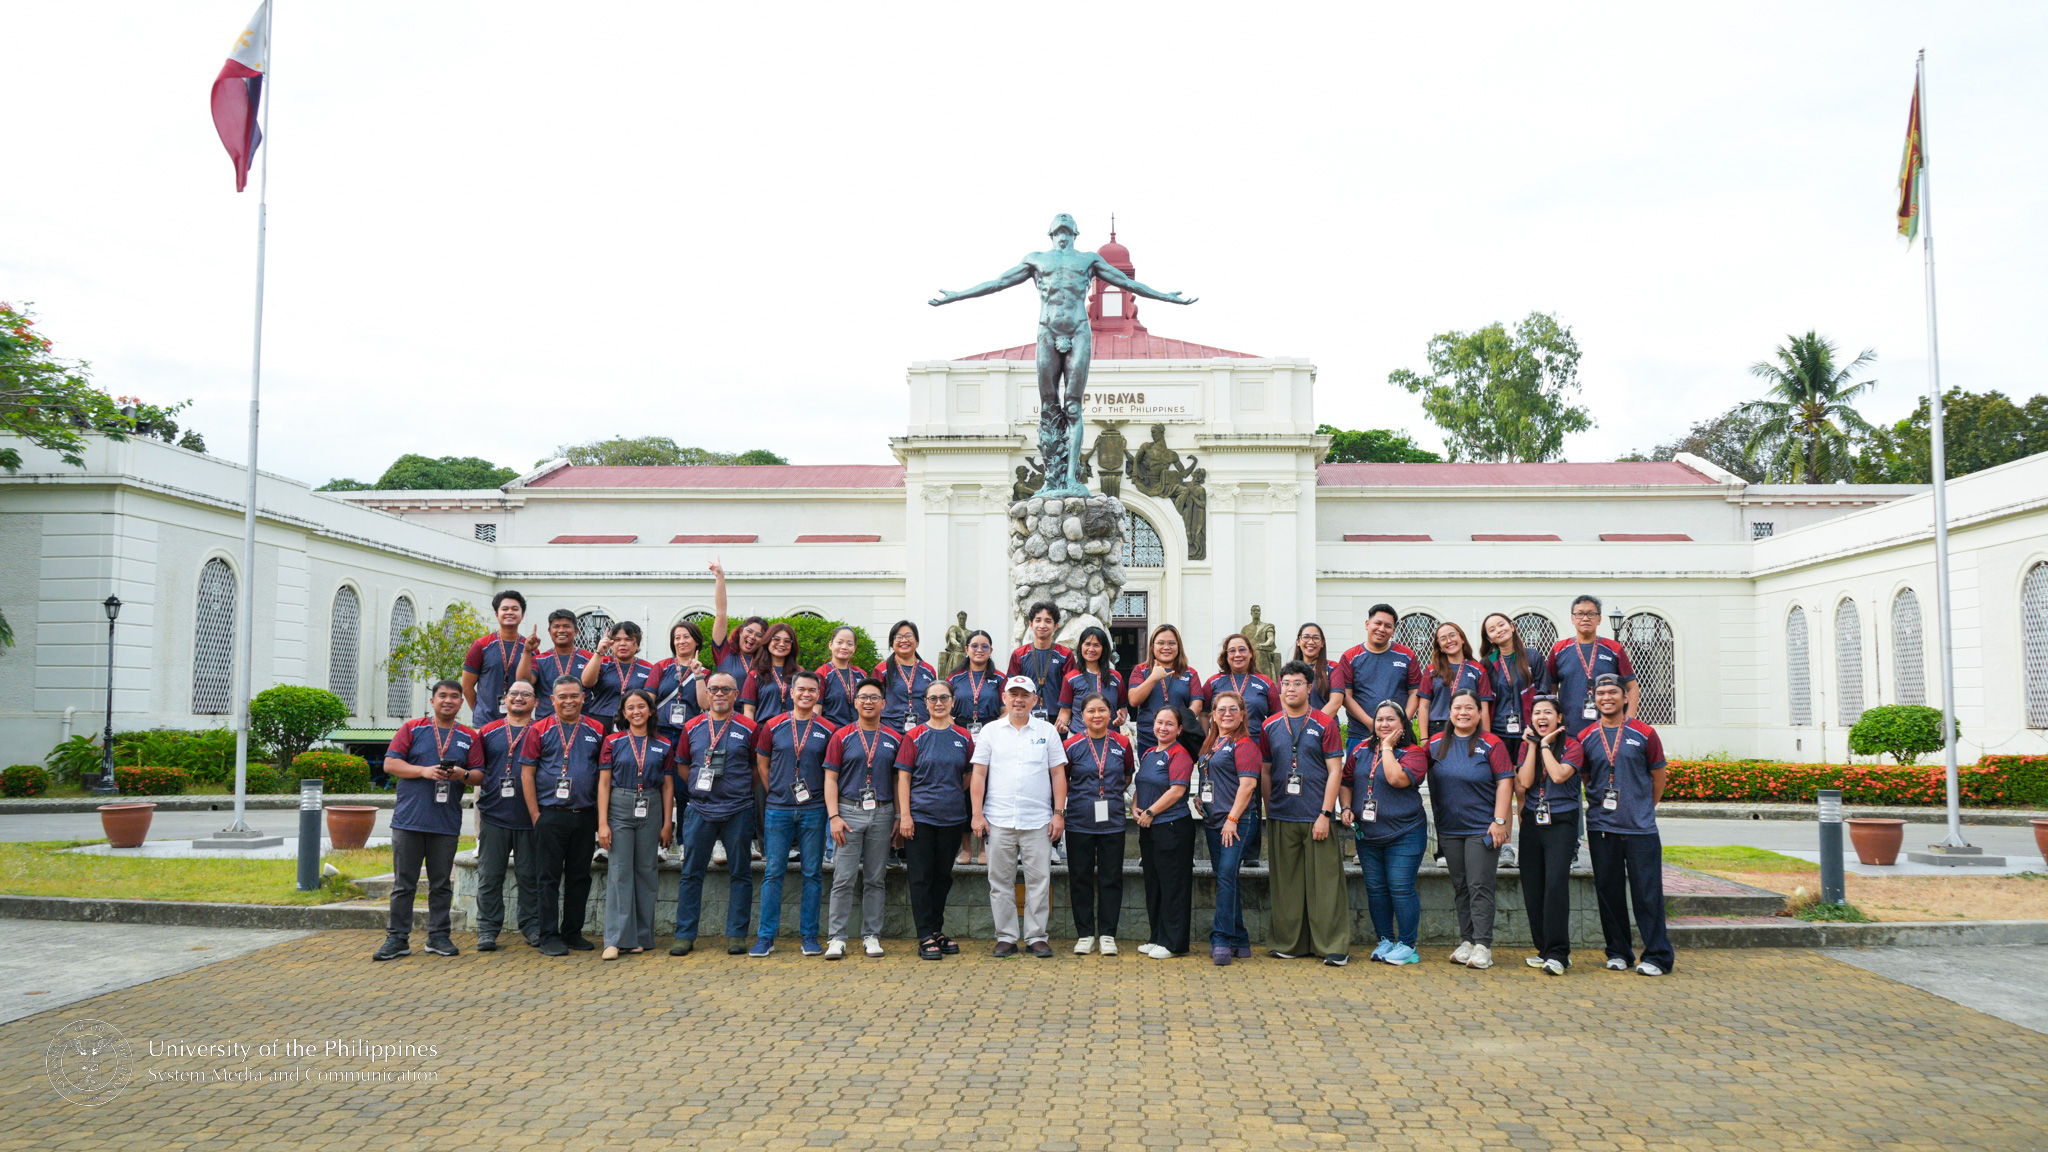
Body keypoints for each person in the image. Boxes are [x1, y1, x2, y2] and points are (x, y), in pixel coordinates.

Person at [372, 679, 478, 961]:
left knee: (441, 884)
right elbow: (390, 764)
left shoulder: (469, 736)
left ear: (461, 702)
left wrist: (462, 774)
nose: (448, 700)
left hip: (445, 823)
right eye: (442, 695)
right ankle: (397, 939)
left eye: (454, 696)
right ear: (432, 701)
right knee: (403, 884)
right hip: (409, 821)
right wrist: (423, 771)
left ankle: (439, 936)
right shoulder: (412, 728)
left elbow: (479, 774)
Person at [1579, 673, 1674, 976]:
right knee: (1609, 893)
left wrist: (1644, 807)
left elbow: (1658, 777)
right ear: (1594, 698)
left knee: (1647, 894)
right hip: (1601, 827)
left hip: (1639, 828)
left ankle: (1657, 956)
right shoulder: (1586, 736)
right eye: (1601, 693)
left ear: (1624, 697)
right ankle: (1619, 952)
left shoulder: (1645, 733)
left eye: (1612, 693)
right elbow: (1587, 778)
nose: (1606, 698)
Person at [971, 676, 1066, 958]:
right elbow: (979, 774)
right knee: (1000, 883)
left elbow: (1058, 774)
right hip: (998, 819)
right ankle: (1006, 937)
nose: (1019, 700)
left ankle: (1036, 937)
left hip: (1038, 821)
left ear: (1035, 700)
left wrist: (1059, 813)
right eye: (1013, 694)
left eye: (1025, 695)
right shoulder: (990, 731)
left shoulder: (1048, 731)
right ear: (1004, 698)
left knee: (1039, 882)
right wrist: (977, 814)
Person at [1261, 662, 1349, 966]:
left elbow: (1335, 770)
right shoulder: (1270, 725)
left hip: (1316, 816)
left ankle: (1332, 946)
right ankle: (1289, 943)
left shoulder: (1325, 723)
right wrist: (1270, 809)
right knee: (1286, 885)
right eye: (1285, 683)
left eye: (1297, 683)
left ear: (1309, 688)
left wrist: (1326, 813)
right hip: (1282, 815)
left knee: (1325, 885)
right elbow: (1266, 770)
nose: (1290, 689)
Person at [670, 671, 760, 956]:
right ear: (706, 693)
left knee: (741, 874)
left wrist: (737, 790)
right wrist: (700, 789)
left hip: (738, 810)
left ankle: (736, 935)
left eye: (726, 689)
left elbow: (756, 768)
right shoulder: (692, 726)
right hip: (700, 809)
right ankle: (684, 935)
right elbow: (683, 766)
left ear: (736, 695)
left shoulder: (750, 727)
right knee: (691, 874)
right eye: (714, 689)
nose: (720, 694)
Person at [1427, 689, 1515, 970]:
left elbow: (1505, 782)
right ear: (1449, 712)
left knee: (1480, 886)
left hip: (1482, 828)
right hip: (1449, 828)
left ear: (1479, 713)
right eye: (1457, 708)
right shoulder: (1435, 743)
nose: (1463, 713)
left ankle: (1483, 945)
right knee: (1461, 886)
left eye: (1469, 708)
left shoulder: (1492, 743)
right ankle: (1467, 941)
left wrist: (1499, 821)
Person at [520, 676, 607, 956]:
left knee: (580, 877)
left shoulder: (597, 729)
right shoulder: (539, 729)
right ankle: (548, 935)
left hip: (584, 815)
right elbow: (527, 773)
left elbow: (603, 774)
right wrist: (536, 814)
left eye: (574, 695)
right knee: (547, 878)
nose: (569, 701)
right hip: (550, 814)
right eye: (563, 696)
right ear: (552, 700)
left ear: (583, 698)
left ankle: (572, 932)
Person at [752, 670, 833, 957]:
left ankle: (809, 936)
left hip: (814, 809)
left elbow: (831, 771)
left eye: (812, 690)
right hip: (778, 809)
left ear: (818, 694)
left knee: (812, 874)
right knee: (773, 872)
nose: (806, 694)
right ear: (791, 692)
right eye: (802, 689)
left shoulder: (828, 729)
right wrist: (775, 790)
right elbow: (763, 764)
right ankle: (765, 937)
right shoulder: (773, 725)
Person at [1341, 700, 1428, 966]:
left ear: (1403, 724)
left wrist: (1388, 747)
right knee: (1376, 890)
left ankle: (1408, 946)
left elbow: (1396, 779)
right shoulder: (1360, 750)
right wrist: (1346, 807)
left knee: (1400, 887)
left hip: (1405, 833)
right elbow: (1346, 781)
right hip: (1368, 835)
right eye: (1380, 720)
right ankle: (1386, 940)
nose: (1384, 724)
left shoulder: (1413, 753)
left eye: (1391, 719)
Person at [823, 677, 902, 959]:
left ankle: (871, 935)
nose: (869, 702)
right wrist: (833, 816)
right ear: (855, 702)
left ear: (884, 703)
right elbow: (830, 778)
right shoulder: (841, 736)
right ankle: (837, 938)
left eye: (874, 697)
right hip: (848, 813)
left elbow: (898, 780)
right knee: (843, 878)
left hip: (882, 813)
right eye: (863, 697)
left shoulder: (894, 738)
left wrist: (898, 815)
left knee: (875, 879)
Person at [896, 679, 975, 960]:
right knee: (921, 877)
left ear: (953, 701)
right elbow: (903, 778)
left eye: (944, 698)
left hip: (952, 818)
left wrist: (949, 792)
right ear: (925, 703)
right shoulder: (914, 736)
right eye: (933, 698)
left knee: (943, 877)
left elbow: (969, 774)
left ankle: (936, 930)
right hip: (920, 818)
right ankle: (924, 935)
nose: (939, 703)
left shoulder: (964, 737)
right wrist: (905, 815)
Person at [596, 689, 673, 960]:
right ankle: (616, 939)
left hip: (651, 806)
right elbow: (604, 783)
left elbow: (668, 786)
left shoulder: (664, 744)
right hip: (619, 805)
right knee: (619, 871)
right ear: (624, 713)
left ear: (651, 711)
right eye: (630, 708)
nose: (636, 712)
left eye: (641, 706)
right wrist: (602, 823)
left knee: (646, 871)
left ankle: (640, 937)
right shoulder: (613, 741)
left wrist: (667, 823)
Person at [468, 678, 540, 951]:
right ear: (505, 699)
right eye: (514, 693)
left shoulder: (542, 730)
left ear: (535, 702)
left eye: (526, 694)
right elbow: (477, 770)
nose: (519, 698)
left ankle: (532, 927)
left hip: (530, 818)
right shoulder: (488, 731)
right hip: (494, 816)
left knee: (530, 877)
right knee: (490, 877)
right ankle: (487, 930)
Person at [1516, 696, 1583, 975]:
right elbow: (1525, 782)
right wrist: (1533, 746)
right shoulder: (1526, 745)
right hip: (1533, 819)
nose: (1541, 717)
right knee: (1533, 887)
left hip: (1561, 822)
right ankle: (1544, 949)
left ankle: (1559, 953)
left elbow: (1557, 775)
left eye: (1547, 713)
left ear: (1559, 718)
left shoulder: (1573, 745)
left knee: (1555, 885)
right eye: (1536, 713)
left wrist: (1544, 746)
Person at [1062, 693, 1134, 955]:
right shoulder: (1070, 745)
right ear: (1081, 716)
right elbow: (1063, 779)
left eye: (1102, 710)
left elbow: (1127, 775)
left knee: (1111, 878)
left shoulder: (1122, 743)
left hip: (1112, 822)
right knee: (1080, 878)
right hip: (1079, 822)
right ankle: (1084, 934)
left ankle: (1107, 934)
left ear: (1110, 713)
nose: (1097, 715)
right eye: (1091, 711)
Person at [1196, 695, 1260, 965]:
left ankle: (1221, 939)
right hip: (1214, 821)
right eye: (1221, 709)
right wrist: (1200, 797)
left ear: (1243, 714)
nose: (1227, 713)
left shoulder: (1244, 744)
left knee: (1225, 876)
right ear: (1213, 714)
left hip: (1237, 822)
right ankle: (1241, 940)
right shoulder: (1211, 743)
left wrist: (1233, 819)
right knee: (1226, 877)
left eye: (1234, 709)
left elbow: (1248, 785)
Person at [1131, 702, 1195, 959]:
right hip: (1149, 827)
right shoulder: (1148, 753)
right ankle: (1157, 937)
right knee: (1154, 884)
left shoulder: (1180, 754)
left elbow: (1177, 791)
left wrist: (1150, 812)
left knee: (1173, 886)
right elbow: (1143, 783)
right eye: (1160, 722)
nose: (1163, 728)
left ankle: (1174, 943)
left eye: (1170, 724)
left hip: (1172, 826)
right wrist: (1136, 806)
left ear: (1179, 729)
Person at [1480, 611, 1540, 868]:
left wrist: (1538, 727)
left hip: (1527, 733)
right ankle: (1505, 847)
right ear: (1489, 638)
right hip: (1499, 734)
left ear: (1512, 626)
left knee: (1523, 789)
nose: (1498, 630)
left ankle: (1528, 845)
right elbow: (1484, 701)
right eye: (1492, 629)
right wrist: (1486, 736)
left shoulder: (1532, 656)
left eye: (1501, 625)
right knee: (1503, 788)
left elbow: (1544, 692)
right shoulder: (1487, 663)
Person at [1333, 604, 1422, 757]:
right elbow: (1346, 696)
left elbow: (1415, 692)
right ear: (1367, 624)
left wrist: (1401, 723)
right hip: (1360, 734)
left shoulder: (1407, 655)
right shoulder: (1350, 657)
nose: (1382, 629)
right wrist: (1371, 723)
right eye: (1378, 623)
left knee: (1400, 772)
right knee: (1359, 772)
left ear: (1393, 631)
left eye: (1388, 626)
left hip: (1399, 736)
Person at [946, 629, 1002, 866]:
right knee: (964, 790)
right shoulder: (954, 678)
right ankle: (966, 847)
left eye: (984, 646)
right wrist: (955, 730)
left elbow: (1005, 710)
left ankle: (984, 847)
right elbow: (944, 707)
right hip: (960, 734)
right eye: (975, 646)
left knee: (987, 790)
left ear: (991, 650)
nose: (979, 650)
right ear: (966, 649)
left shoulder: (999, 679)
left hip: (990, 734)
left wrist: (994, 732)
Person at [1546, 595, 1638, 726]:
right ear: (1572, 619)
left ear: (1599, 619)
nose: (1585, 618)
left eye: (1591, 614)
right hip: (1569, 728)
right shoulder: (1559, 649)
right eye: (1580, 614)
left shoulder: (1614, 649)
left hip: (1608, 727)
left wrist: (1629, 721)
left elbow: (1632, 687)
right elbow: (1551, 688)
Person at [1128, 623, 1206, 757]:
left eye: (1172, 643)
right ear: (1152, 647)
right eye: (1161, 643)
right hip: (1148, 739)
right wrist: (1153, 678)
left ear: (1178, 647)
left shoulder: (1190, 673)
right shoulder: (1141, 670)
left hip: (1179, 739)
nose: (1166, 647)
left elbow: (1197, 703)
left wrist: (1177, 722)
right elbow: (1134, 700)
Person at [462, 590, 529, 728]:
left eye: (515, 609)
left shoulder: (529, 648)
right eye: (505, 609)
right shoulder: (481, 645)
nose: (509, 612)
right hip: (485, 723)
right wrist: (480, 711)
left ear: (522, 615)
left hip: (519, 722)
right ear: (496, 614)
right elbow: (467, 687)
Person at [1418, 621, 1491, 738]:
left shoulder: (1478, 670)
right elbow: (1424, 706)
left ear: (1462, 639)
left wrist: (1487, 739)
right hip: (1438, 728)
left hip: (1468, 725)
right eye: (1443, 639)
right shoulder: (1432, 670)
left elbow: (1484, 708)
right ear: (1440, 647)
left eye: (1452, 635)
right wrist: (1424, 739)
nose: (1449, 640)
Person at [580, 621, 656, 732]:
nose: (622, 643)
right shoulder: (602, 662)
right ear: (611, 643)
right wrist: (599, 652)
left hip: (633, 721)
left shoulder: (648, 668)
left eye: (628, 639)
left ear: (637, 644)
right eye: (617, 639)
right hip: (600, 720)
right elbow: (586, 682)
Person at [520, 609, 592, 720]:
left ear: (576, 631)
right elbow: (524, 682)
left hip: (581, 723)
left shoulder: (590, 659)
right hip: (545, 723)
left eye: (566, 626)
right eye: (556, 626)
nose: (561, 630)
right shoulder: (539, 660)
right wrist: (527, 651)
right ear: (549, 631)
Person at [705, 558, 767, 685]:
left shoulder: (766, 662)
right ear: (741, 631)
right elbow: (721, 614)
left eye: (759, 635)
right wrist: (720, 576)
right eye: (749, 631)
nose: (752, 637)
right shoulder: (724, 654)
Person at [1054, 625, 1125, 736]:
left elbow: (1122, 708)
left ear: (1104, 649)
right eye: (1087, 644)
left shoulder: (1116, 677)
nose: (1091, 649)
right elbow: (1065, 711)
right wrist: (1062, 725)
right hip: (1079, 737)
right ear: (1081, 647)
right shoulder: (1070, 678)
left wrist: (1121, 719)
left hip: (1109, 737)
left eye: (1096, 645)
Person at [1008, 601, 1073, 721]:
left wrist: (1064, 718)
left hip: (1057, 717)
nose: (1042, 625)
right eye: (1038, 620)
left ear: (1055, 626)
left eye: (1048, 621)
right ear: (1031, 624)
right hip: (1026, 716)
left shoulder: (1065, 655)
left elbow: (1070, 690)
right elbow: (1012, 689)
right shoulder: (1019, 655)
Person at [875, 619, 938, 733]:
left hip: (923, 731)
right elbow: (875, 702)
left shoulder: (928, 670)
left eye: (909, 636)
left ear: (917, 641)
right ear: (892, 643)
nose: (904, 640)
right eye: (898, 637)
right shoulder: (882, 670)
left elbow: (935, 701)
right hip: (891, 731)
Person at [1207, 633, 1276, 733]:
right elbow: (1203, 714)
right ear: (1226, 655)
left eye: (1242, 650)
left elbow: (1276, 716)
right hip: (1222, 741)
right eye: (1232, 651)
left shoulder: (1265, 682)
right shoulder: (1213, 682)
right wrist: (1206, 739)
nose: (1237, 654)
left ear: (1251, 653)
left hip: (1255, 740)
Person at [741, 621, 805, 723]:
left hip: (793, 728)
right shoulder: (756, 674)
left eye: (787, 641)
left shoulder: (800, 673)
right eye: (776, 639)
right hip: (765, 728)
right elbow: (749, 710)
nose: (782, 644)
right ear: (767, 641)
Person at [815, 625, 867, 728]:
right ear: (831, 645)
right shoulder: (822, 674)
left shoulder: (861, 674)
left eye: (849, 644)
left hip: (856, 732)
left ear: (854, 648)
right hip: (832, 732)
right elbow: (816, 710)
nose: (844, 647)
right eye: (839, 642)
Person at [1292, 622, 1339, 716]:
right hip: (1295, 724)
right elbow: (1283, 702)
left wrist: (1314, 722)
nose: (1310, 642)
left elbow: (1336, 702)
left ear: (1322, 643)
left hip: (1325, 723)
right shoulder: (1288, 670)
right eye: (1306, 637)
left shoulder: (1333, 668)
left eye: (1316, 638)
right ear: (1298, 642)